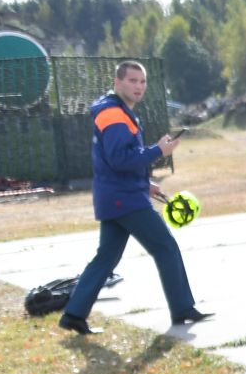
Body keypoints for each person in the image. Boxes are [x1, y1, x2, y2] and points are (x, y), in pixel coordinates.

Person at [57, 60, 212, 335]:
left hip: (118, 195)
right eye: (132, 80)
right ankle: (182, 308)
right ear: (117, 82)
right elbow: (120, 159)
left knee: (105, 258)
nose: (138, 86)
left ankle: (74, 314)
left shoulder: (115, 111)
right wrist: (158, 151)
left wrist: (145, 183)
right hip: (124, 199)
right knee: (165, 246)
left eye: (142, 81)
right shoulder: (114, 115)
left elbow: (116, 162)